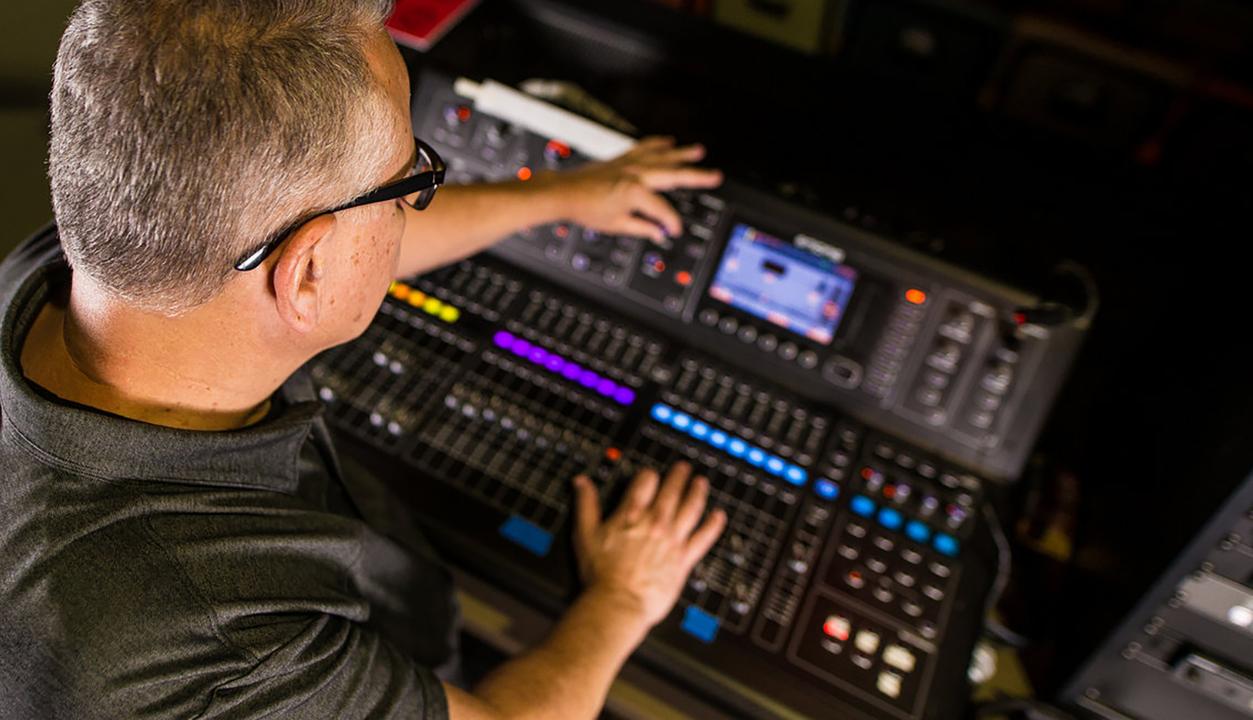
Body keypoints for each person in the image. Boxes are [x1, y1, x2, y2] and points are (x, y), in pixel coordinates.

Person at [0, 0, 728, 717]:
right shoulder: (215, 639)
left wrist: (559, 197)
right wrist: (625, 599)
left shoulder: (79, 270)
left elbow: (325, 244)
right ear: (305, 274)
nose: (412, 209)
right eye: (410, 184)